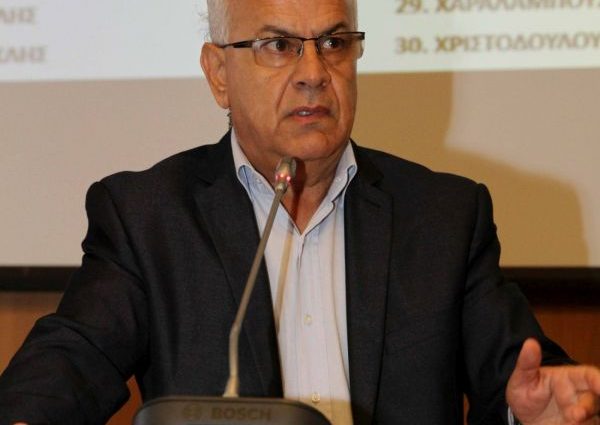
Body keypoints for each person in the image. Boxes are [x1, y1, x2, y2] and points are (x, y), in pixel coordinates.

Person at [1, 0, 599, 424]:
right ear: (218, 74)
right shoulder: (150, 217)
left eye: (334, 43)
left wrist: (538, 414)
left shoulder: (442, 216)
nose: (314, 73)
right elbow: (69, 360)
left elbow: (519, 374)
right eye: (278, 46)